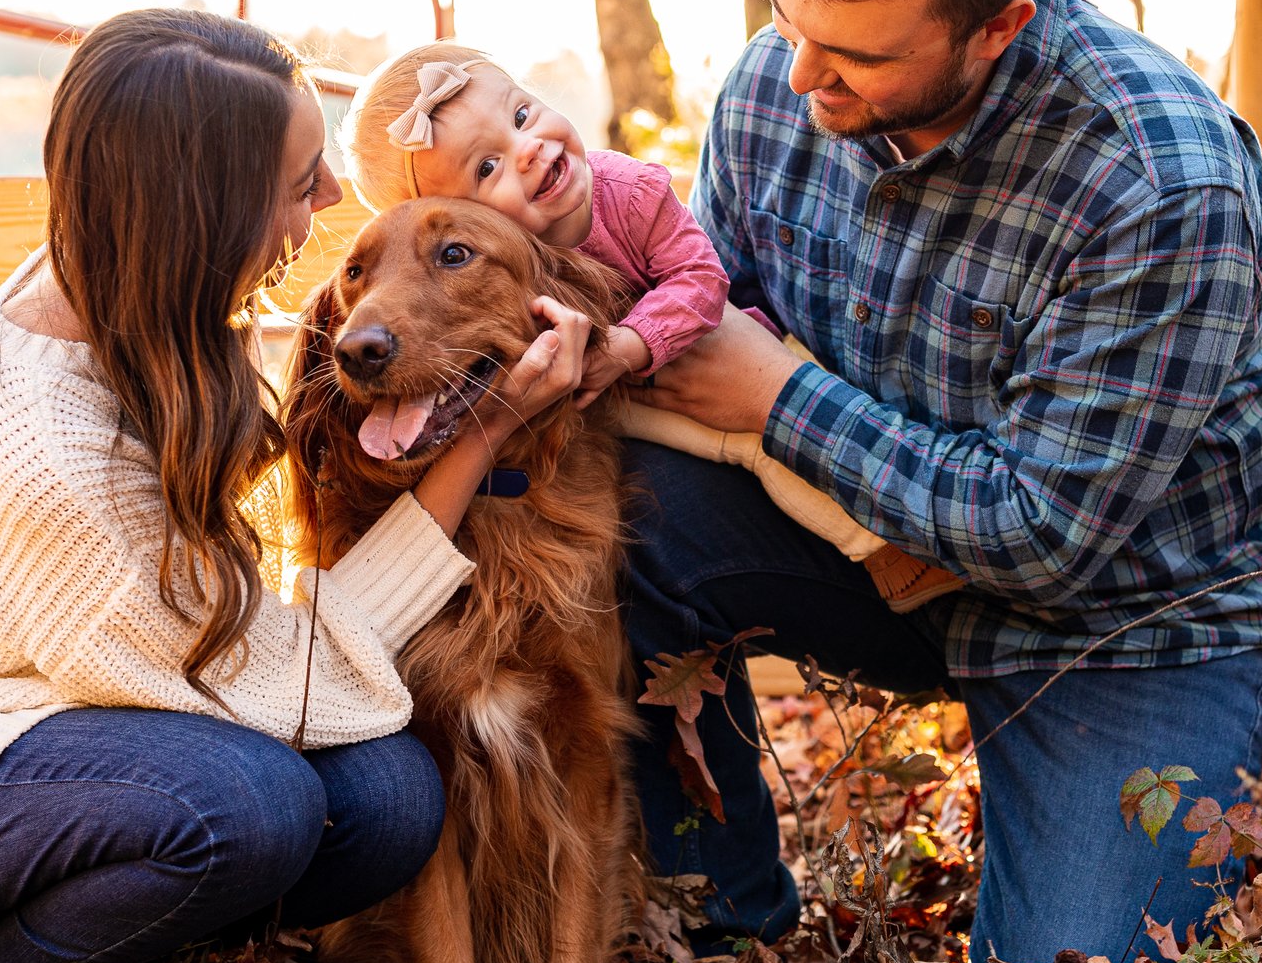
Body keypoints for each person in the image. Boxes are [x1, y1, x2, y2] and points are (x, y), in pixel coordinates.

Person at [623, 0, 1262, 963]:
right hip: (874, 552)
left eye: (854, 56)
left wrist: (780, 398)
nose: (799, 81)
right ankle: (719, 924)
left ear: (996, 27)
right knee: (610, 502)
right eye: (788, 19)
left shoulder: (1156, 183)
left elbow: (1047, 536)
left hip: (1129, 616)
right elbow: (707, 337)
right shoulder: (772, 88)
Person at [0, 9, 591, 963]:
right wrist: (487, 437)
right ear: (200, 215)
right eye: (297, 184)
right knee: (254, 804)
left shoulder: (127, 306)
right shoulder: (36, 446)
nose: (328, 200)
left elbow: (249, 657)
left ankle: (148, 951)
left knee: (391, 798)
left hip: (82, 722)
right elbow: (267, 688)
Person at [337, 44, 958, 611]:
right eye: (487, 168)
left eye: (523, 116)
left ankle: (881, 547)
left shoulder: (630, 191)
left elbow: (703, 278)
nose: (528, 149)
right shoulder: (513, 246)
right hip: (621, 390)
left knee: (752, 447)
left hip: (702, 354)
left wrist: (630, 346)